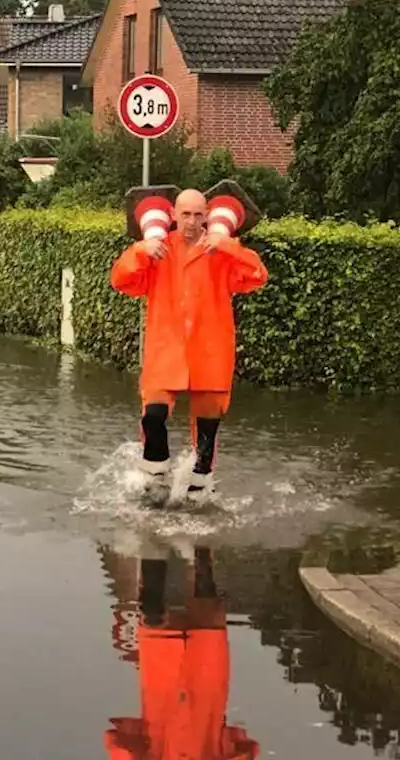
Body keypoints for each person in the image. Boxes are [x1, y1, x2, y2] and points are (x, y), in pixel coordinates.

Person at [109, 189, 267, 500]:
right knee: (153, 416)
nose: (191, 222)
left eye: (198, 214)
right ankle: (155, 477)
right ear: (172, 216)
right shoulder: (157, 249)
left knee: (208, 430)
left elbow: (257, 276)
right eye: (185, 214)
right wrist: (140, 250)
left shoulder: (221, 250)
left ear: (208, 216)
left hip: (211, 351)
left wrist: (230, 247)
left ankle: (199, 489)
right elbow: (121, 281)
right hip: (165, 350)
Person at [104, 546, 259, 760]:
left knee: (152, 611)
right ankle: (202, 545)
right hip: (206, 689)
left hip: (162, 685)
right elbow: (247, 751)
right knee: (207, 602)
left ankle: (152, 538)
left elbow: (116, 744)